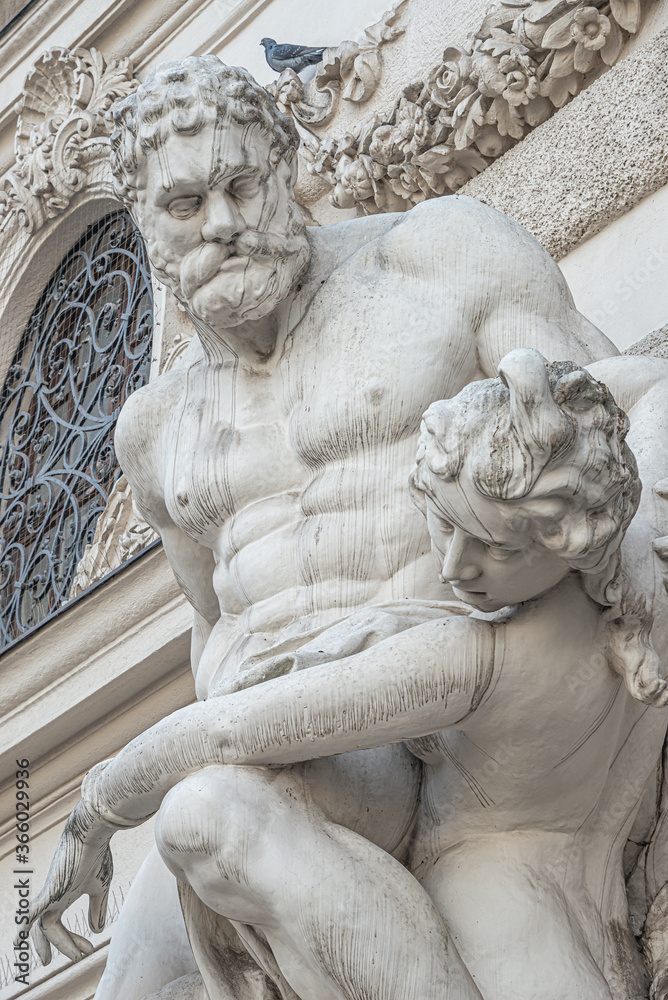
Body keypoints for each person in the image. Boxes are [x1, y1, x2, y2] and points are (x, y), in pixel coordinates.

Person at [24, 55, 642, 1000]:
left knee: (204, 811)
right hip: (263, 740)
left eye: (242, 185)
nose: (224, 224)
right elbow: (215, 618)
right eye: (186, 205)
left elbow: (614, 421)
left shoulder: (437, 255)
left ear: (286, 166)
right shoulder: (151, 432)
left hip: (441, 714)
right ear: (146, 229)